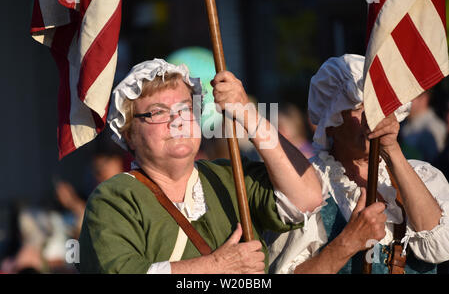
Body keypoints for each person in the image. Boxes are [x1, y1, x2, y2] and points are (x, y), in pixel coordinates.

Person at [78, 58, 323, 274]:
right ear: (129, 133)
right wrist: (216, 267)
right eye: (157, 112)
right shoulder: (114, 198)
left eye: (185, 108)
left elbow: (307, 197)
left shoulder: (230, 175)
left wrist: (247, 112)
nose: (177, 121)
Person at [270, 54, 449, 274]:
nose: (372, 118)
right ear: (331, 122)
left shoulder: (424, 175)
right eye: (359, 108)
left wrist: (392, 151)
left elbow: (440, 248)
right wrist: (347, 242)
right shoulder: (307, 185)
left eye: (380, 108)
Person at [400, 90, 447, 162]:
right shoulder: (404, 124)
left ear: (424, 98)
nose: (403, 102)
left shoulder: (434, 127)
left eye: (410, 98)